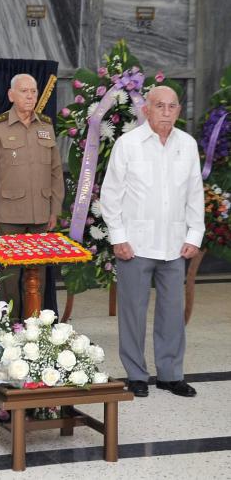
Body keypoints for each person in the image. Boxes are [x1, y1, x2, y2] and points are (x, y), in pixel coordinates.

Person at [100, 85, 204, 399]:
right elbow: (111, 195)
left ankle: (171, 375)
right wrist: (118, 237)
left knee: (173, 311)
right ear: (147, 109)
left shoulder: (187, 145)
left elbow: (195, 194)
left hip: (175, 244)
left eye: (173, 107)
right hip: (134, 244)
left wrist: (193, 235)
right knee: (132, 310)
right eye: (161, 106)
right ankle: (136, 374)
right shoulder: (128, 144)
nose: (167, 113)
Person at [0, 73, 64, 320]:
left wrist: (54, 209)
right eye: (24, 91)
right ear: (11, 95)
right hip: (9, 214)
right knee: (10, 275)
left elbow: (56, 171)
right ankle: (12, 327)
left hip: (40, 213)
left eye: (34, 91)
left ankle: (35, 327)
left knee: (37, 274)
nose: (30, 96)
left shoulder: (46, 125)